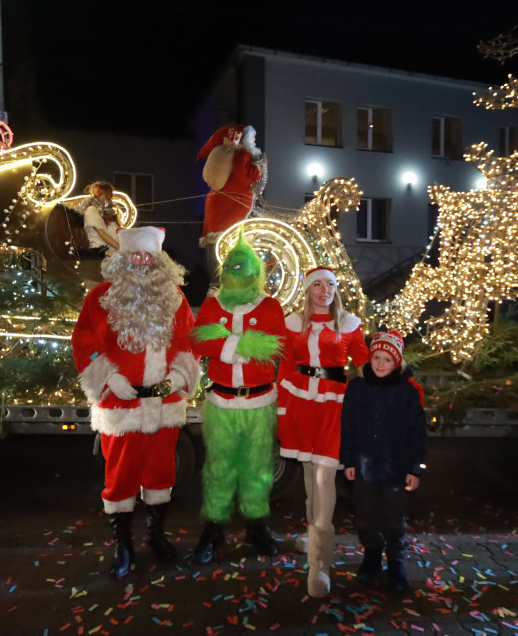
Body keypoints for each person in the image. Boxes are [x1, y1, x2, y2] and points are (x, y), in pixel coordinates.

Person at [70, 226, 201, 580]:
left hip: (163, 404)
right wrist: (108, 376)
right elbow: (83, 342)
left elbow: (189, 341)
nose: (142, 262)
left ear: (159, 260)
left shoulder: (175, 297)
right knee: (121, 477)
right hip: (120, 407)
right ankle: (122, 543)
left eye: (148, 256)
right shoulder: (100, 296)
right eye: (135, 255)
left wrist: (179, 375)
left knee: (161, 474)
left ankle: (156, 534)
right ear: (122, 259)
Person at [190, 234, 286, 564]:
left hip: (260, 403)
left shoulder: (270, 306)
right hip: (221, 404)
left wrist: (226, 341)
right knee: (218, 469)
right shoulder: (214, 305)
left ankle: (256, 528)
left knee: (257, 469)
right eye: (231, 270)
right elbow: (200, 340)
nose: (236, 276)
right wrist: (243, 346)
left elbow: (273, 345)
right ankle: (212, 533)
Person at [277, 266, 368, 597]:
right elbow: (285, 367)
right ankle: (311, 533)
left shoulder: (349, 324)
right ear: (308, 290)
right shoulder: (292, 324)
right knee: (308, 477)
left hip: (334, 405)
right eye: (317, 284)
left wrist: (396, 378)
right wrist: (283, 409)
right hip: (301, 403)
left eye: (330, 284)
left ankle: (319, 563)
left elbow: (366, 364)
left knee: (323, 479)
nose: (324, 290)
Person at [340, 330, 425, 593]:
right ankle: (372, 556)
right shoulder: (357, 389)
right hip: (365, 469)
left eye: (387, 360)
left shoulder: (407, 392)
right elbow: (349, 427)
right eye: (376, 357)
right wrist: (349, 461)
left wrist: (416, 468)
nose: (380, 364)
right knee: (366, 517)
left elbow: (418, 434)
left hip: (396, 470)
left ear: (397, 362)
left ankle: (396, 563)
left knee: (393, 519)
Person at [196, 124, 267, 276]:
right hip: (229, 214)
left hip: (221, 210)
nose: (255, 141)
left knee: (216, 259)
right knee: (227, 263)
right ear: (245, 139)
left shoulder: (233, 155)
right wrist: (256, 168)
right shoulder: (243, 154)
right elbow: (243, 177)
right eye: (252, 138)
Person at [79, 181, 120, 256]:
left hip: (111, 250)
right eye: (105, 194)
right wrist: (119, 247)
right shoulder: (92, 210)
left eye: (109, 195)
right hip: (101, 251)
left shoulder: (107, 213)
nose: (107, 198)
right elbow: (102, 233)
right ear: (97, 194)